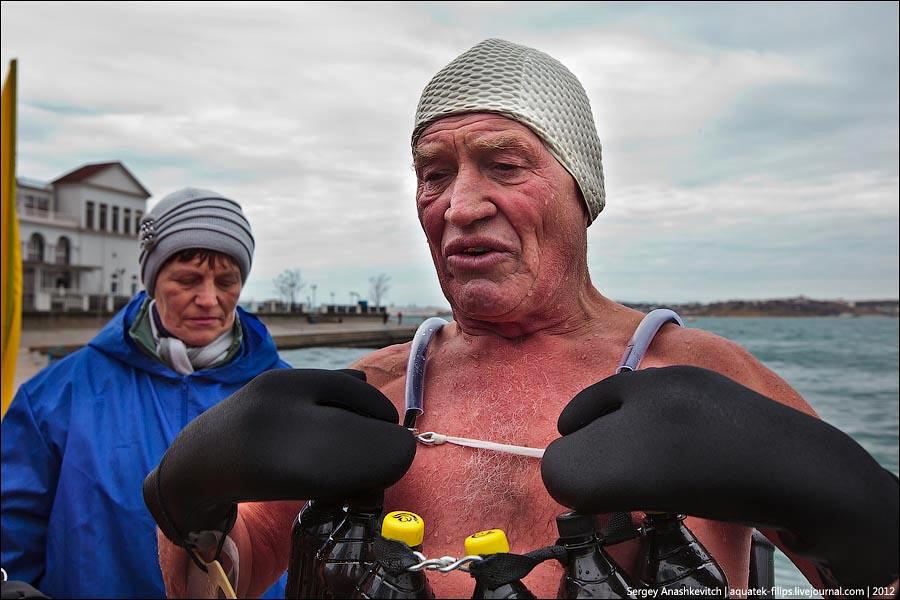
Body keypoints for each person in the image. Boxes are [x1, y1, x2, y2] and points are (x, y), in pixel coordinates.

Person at [149, 40, 898, 598]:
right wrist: (191, 503)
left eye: (504, 166)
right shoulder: (369, 394)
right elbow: (220, 582)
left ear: (582, 191)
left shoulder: (704, 382)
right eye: (433, 174)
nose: (460, 205)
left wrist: (863, 520)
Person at [0, 188, 291, 598]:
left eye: (227, 280)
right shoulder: (54, 397)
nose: (208, 299)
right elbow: (11, 539)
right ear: (152, 279)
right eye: (187, 279)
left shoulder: (286, 397)